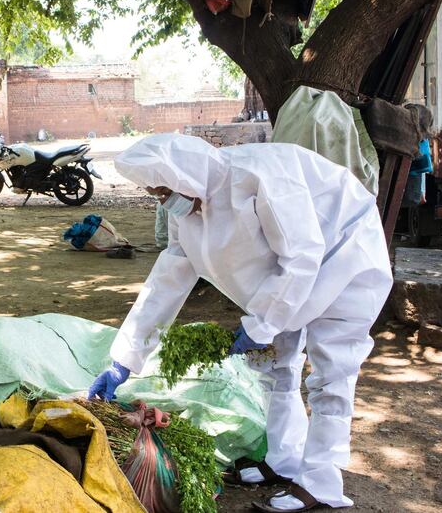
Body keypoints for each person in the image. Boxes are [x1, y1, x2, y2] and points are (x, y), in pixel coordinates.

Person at [88, 134, 393, 512]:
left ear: (184, 173)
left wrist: (262, 322)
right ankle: (284, 461)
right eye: (155, 192)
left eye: (164, 188)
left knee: (332, 374)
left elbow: (303, 256)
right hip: (284, 283)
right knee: (275, 368)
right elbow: (168, 280)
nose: (163, 198)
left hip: (344, 256)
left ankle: (322, 483)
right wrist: (125, 359)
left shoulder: (256, 176)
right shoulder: (187, 210)